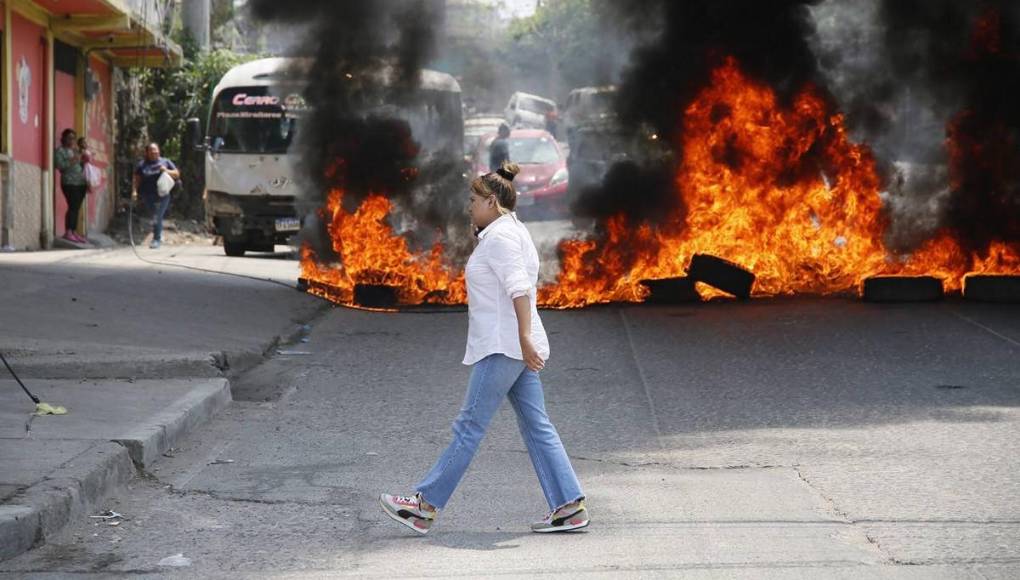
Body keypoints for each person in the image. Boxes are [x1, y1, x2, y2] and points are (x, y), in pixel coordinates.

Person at [380, 162, 588, 535]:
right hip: (512, 346)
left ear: (492, 201)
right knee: (536, 424)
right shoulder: (509, 231)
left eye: (474, 200)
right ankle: (569, 507)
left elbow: (519, 289)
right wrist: (524, 339)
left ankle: (424, 507)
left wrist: (523, 337)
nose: (469, 207)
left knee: (469, 427)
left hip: (503, 347)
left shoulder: (501, 238)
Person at [132, 143, 180, 250]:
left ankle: (156, 239)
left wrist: (166, 170)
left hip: (163, 194)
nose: (154, 152)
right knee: (154, 216)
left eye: (156, 150)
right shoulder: (142, 165)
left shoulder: (165, 162)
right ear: (147, 152)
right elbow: (137, 179)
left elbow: (177, 174)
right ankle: (157, 235)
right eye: (151, 150)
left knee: (157, 215)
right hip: (147, 195)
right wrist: (134, 191)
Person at [54, 129, 88, 244]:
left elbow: (80, 165)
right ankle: (68, 232)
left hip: (81, 183)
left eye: (73, 138)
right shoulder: (60, 151)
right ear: (63, 138)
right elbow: (60, 166)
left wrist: (83, 160)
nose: (72, 140)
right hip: (69, 183)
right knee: (72, 206)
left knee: (76, 208)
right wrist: (73, 160)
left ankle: (73, 231)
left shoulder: (75, 150)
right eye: (69, 138)